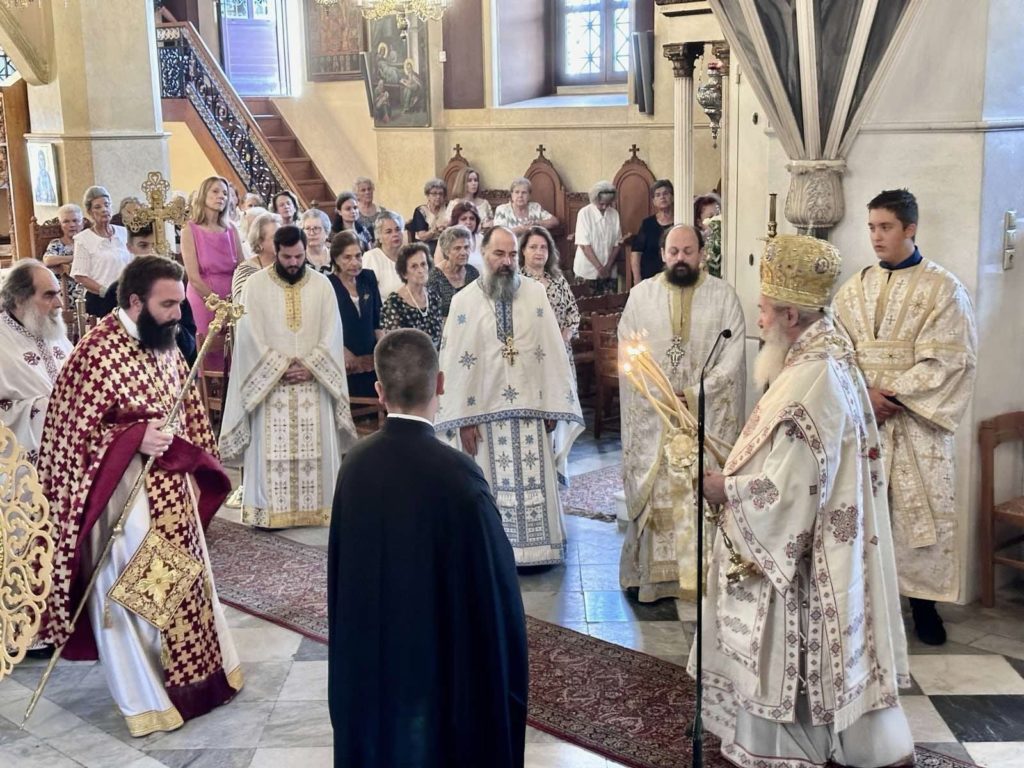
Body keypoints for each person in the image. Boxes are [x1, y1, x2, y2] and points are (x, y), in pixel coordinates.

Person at [696, 234, 913, 768]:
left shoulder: (810, 377)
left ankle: (786, 751)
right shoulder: (831, 353)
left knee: (791, 649)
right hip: (831, 541)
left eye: (765, 310)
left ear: (791, 316)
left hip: (803, 556)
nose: (759, 319)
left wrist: (727, 489)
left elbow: (789, 490)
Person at [36, 255, 242, 737]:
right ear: (135, 301)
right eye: (168, 304)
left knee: (181, 588)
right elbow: (69, 438)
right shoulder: (95, 354)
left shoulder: (165, 342)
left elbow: (187, 411)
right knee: (132, 597)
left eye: (179, 303)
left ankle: (194, 684)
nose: (178, 313)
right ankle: (146, 698)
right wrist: (133, 437)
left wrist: (196, 466)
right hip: (124, 501)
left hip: (173, 495)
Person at [329, 329, 527, 768]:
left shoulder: (353, 467)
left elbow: (343, 577)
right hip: (441, 669)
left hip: (375, 661)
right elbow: (496, 588)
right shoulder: (459, 475)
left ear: (379, 391)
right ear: (440, 383)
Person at [832, 188, 977, 646]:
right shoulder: (854, 288)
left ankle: (924, 608)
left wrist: (890, 396)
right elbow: (835, 351)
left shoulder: (943, 289)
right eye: (871, 227)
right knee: (861, 513)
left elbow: (952, 359)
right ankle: (862, 606)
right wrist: (864, 396)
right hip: (863, 421)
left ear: (910, 228)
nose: (876, 236)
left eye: (886, 227)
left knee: (916, 516)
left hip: (914, 424)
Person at [437, 226, 584, 565]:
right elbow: (455, 363)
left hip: (533, 412)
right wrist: (463, 420)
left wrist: (554, 406)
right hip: (484, 418)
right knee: (490, 486)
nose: (506, 262)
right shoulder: (464, 302)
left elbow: (552, 350)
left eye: (512, 255)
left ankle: (539, 551)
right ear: (483, 255)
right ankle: (496, 553)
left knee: (536, 483)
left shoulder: (536, 295)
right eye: (499, 254)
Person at [617, 224, 746, 602]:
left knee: (700, 490)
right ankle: (653, 580)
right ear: (662, 254)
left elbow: (732, 358)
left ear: (702, 253)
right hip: (656, 415)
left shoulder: (724, 296)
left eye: (688, 251)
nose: (680, 259)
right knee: (659, 494)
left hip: (703, 416)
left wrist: (695, 394)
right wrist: (660, 395)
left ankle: (704, 576)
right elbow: (628, 351)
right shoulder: (641, 296)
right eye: (673, 251)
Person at [220, 225, 357, 529]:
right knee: (271, 452)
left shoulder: (322, 285)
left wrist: (311, 366)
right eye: (287, 257)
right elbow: (248, 336)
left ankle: (319, 509)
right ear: (276, 253)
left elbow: (333, 333)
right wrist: (280, 366)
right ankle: (268, 514)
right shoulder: (255, 286)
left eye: (298, 256)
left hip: (314, 382)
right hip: (270, 386)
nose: (294, 263)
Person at [0, 260, 72, 461]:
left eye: (58, 294)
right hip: (18, 464)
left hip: (70, 448)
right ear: (19, 299)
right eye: (49, 295)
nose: (59, 303)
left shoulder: (53, 332)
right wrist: (41, 409)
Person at [181, 176, 244, 373]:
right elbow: (193, 277)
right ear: (203, 195)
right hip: (203, 297)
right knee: (208, 350)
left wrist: (233, 301)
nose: (221, 196)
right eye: (215, 191)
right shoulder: (190, 229)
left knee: (234, 349)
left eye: (225, 193)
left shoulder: (231, 229)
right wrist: (219, 305)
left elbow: (242, 267)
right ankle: (205, 388)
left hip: (230, 295)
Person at [327, 231, 383, 398]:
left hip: (371, 358)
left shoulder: (368, 277)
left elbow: (377, 320)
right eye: (347, 257)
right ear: (336, 258)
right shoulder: (328, 284)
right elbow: (326, 328)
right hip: (343, 361)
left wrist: (382, 350)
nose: (355, 262)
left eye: (358, 256)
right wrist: (342, 351)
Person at [519, 225, 579, 366]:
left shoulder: (558, 279)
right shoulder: (518, 281)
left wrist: (566, 335)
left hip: (560, 348)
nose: (539, 252)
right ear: (523, 250)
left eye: (543, 247)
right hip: (530, 351)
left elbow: (573, 311)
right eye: (533, 247)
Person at [71, 185, 132, 317]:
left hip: (126, 296)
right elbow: (80, 276)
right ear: (90, 212)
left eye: (107, 205)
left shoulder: (123, 232)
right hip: (100, 298)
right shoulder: (83, 239)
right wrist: (106, 291)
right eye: (98, 207)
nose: (104, 209)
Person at [381, 243, 444, 348]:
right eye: (414, 266)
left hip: (437, 355)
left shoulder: (434, 296)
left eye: (423, 264)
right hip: (408, 357)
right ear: (404, 273)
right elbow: (394, 346)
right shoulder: (394, 303)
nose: (421, 270)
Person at [573, 180, 623, 295]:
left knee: (609, 304)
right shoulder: (584, 213)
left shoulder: (614, 214)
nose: (605, 207)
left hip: (609, 269)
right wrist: (600, 268)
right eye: (601, 204)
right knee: (587, 304)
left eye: (608, 204)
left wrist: (608, 267)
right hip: (587, 270)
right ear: (594, 200)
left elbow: (617, 243)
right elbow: (584, 245)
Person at [427, 224, 479, 318]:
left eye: (466, 247)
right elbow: (431, 314)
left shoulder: (473, 272)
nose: (463, 252)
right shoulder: (433, 277)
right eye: (457, 248)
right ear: (446, 251)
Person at [630, 179, 674, 284]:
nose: (662, 197)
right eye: (658, 195)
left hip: (674, 278)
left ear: (672, 197)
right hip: (650, 280)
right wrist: (637, 280)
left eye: (665, 193)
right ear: (654, 201)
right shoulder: (647, 224)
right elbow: (636, 253)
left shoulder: (680, 221)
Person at [232, 211, 280, 301]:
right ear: (259, 242)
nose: (281, 240)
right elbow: (241, 305)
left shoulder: (290, 265)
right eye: (274, 237)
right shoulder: (245, 271)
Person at [492, 177, 559, 235]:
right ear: (512, 195)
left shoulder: (535, 207)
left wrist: (536, 223)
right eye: (517, 192)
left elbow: (555, 221)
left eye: (524, 192)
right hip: (512, 245)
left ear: (529, 196)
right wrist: (521, 229)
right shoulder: (502, 210)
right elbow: (499, 234)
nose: (520, 196)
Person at [362, 211, 405, 300]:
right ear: (379, 237)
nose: (395, 234)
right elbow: (367, 295)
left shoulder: (410, 256)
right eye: (389, 232)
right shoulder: (372, 257)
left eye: (398, 229)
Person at [409, 178, 447, 254]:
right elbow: (423, 237)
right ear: (427, 195)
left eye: (441, 194)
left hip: (444, 243)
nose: (438, 197)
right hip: (426, 244)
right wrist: (435, 229)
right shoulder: (421, 211)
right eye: (434, 194)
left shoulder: (448, 208)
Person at [446, 200, 485, 270]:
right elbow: (439, 268)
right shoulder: (447, 239)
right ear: (456, 222)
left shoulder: (482, 239)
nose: (468, 222)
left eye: (472, 219)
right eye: (463, 219)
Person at [43, 203, 84, 268]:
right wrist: (76, 258)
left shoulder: (89, 241)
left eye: (75, 220)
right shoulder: (57, 243)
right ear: (61, 225)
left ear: (82, 224)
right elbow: (47, 261)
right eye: (66, 221)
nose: (72, 225)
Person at [301, 208, 333, 273]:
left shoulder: (336, 256)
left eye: (316, 228)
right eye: (307, 229)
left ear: (327, 232)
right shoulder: (298, 258)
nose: (312, 233)